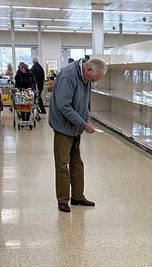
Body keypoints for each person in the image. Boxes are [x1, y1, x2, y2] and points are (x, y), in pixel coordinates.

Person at [49, 58, 107, 213]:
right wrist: (83, 124)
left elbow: (85, 102)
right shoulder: (69, 75)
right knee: (62, 164)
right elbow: (64, 106)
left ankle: (77, 196)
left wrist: (87, 118)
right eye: (94, 79)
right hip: (63, 126)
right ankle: (62, 200)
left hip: (76, 126)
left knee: (77, 162)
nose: (93, 83)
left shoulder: (86, 78)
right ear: (88, 70)